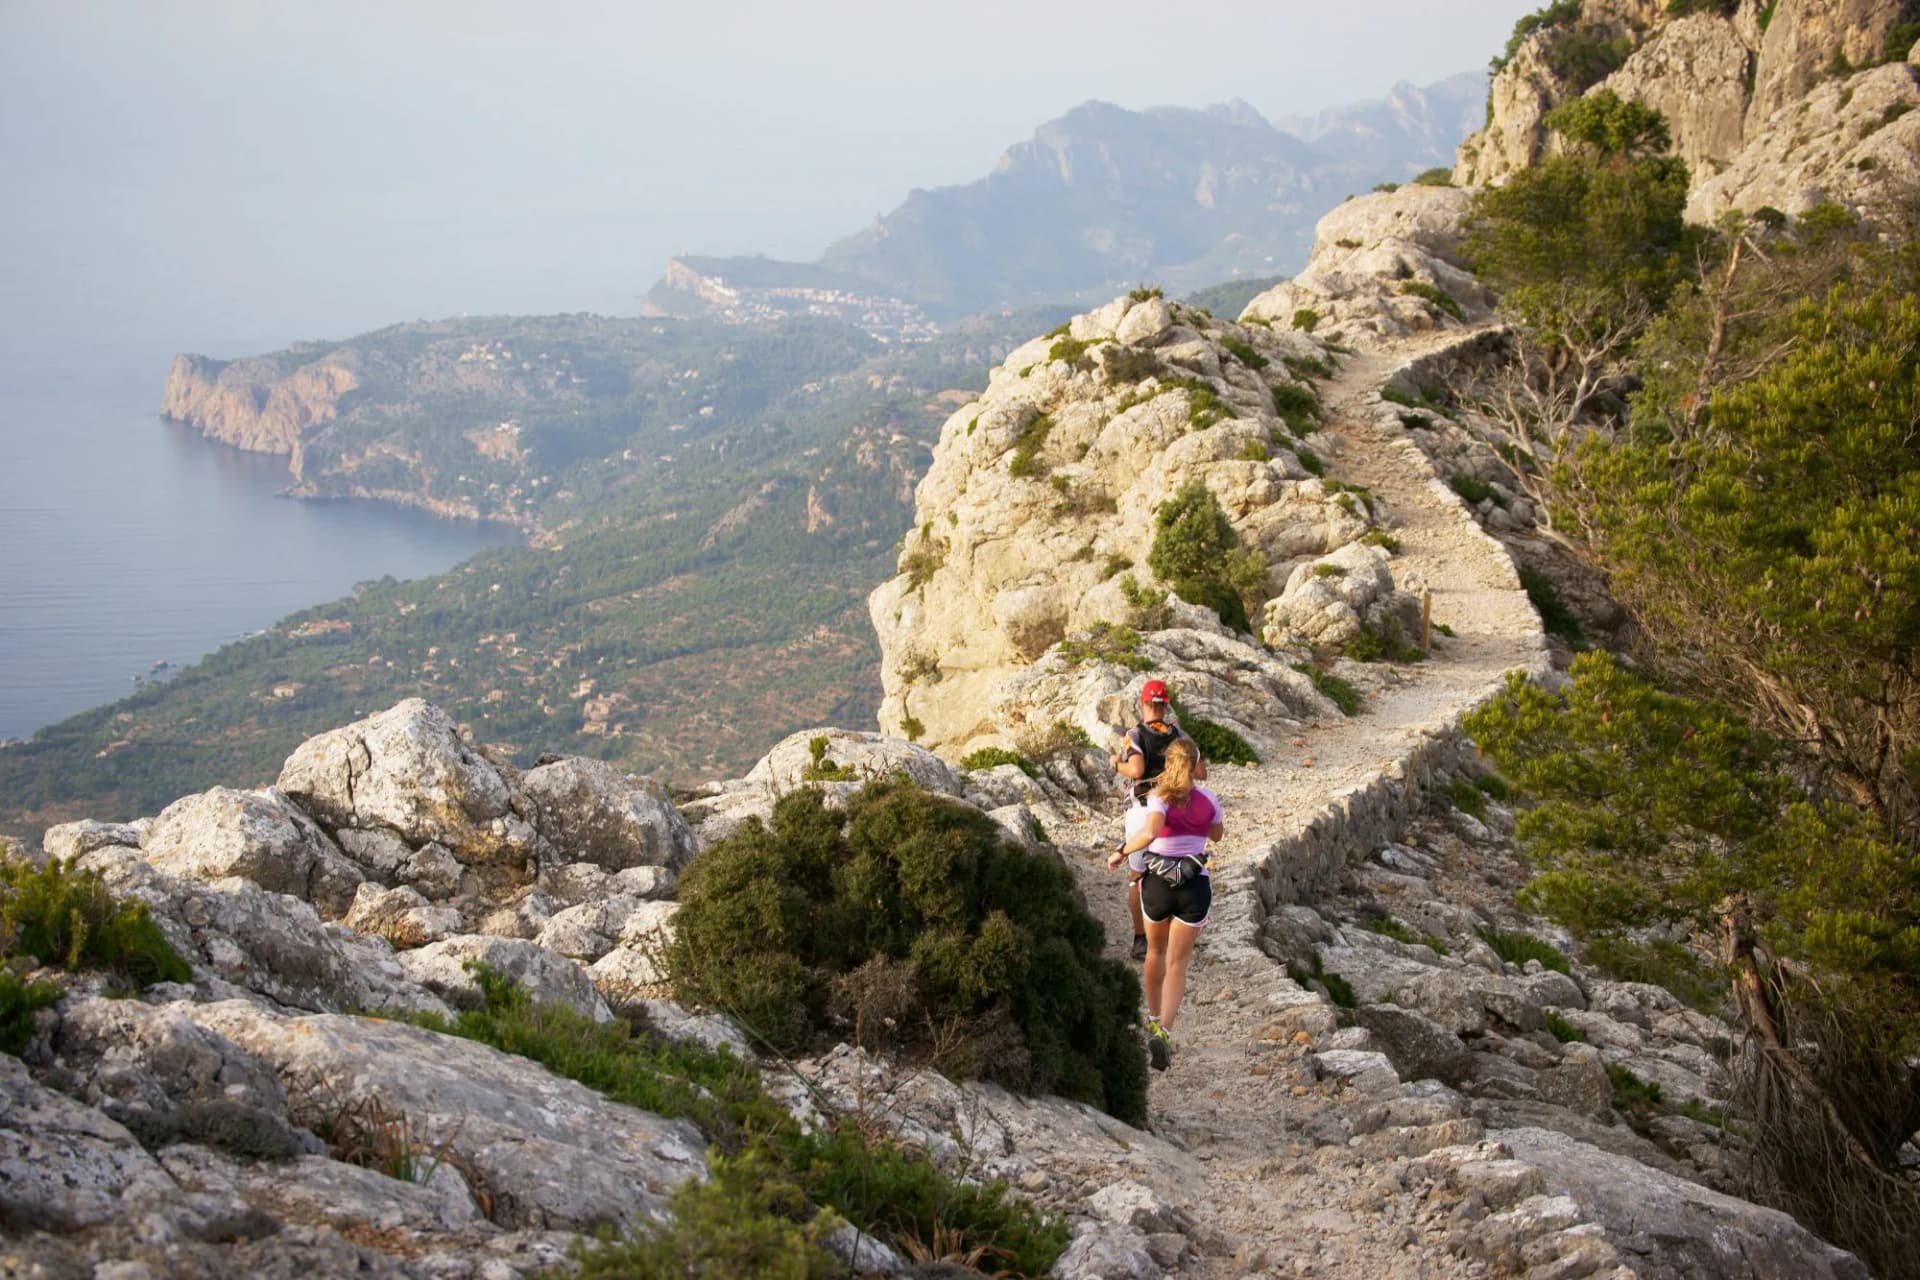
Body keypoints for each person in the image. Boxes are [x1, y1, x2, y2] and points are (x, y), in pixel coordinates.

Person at [1107, 738, 1221, 1071]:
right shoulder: (1209, 799)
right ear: (1196, 764)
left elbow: (1150, 832)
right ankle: (1166, 1031)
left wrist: (1122, 851)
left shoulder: (1157, 799)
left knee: (1155, 953)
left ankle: (1153, 1019)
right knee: (1178, 963)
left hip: (1157, 884)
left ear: (1168, 763)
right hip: (1193, 887)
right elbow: (1217, 835)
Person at [1109, 678, 1205, 960]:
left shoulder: (1135, 734)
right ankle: (1177, 933)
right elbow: (1200, 772)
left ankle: (1142, 940)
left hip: (1143, 810)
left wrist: (1116, 763)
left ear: (1143, 702)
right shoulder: (1180, 734)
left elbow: (1137, 770)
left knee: (1138, 877)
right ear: (1166, 704)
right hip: (1176, 810)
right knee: (1177, 870)